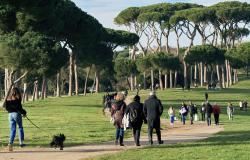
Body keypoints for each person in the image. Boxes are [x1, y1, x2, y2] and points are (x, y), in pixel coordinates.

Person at [5, 87, 27, 151]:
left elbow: (6, 108)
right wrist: (24, 113)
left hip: (10, 115)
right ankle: (21, 143)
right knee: (20, 127)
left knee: (12, 130)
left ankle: (10, 143)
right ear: (18, 92)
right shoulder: (17, 98)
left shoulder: (8, 98)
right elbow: (19, 108)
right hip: (16, 114)